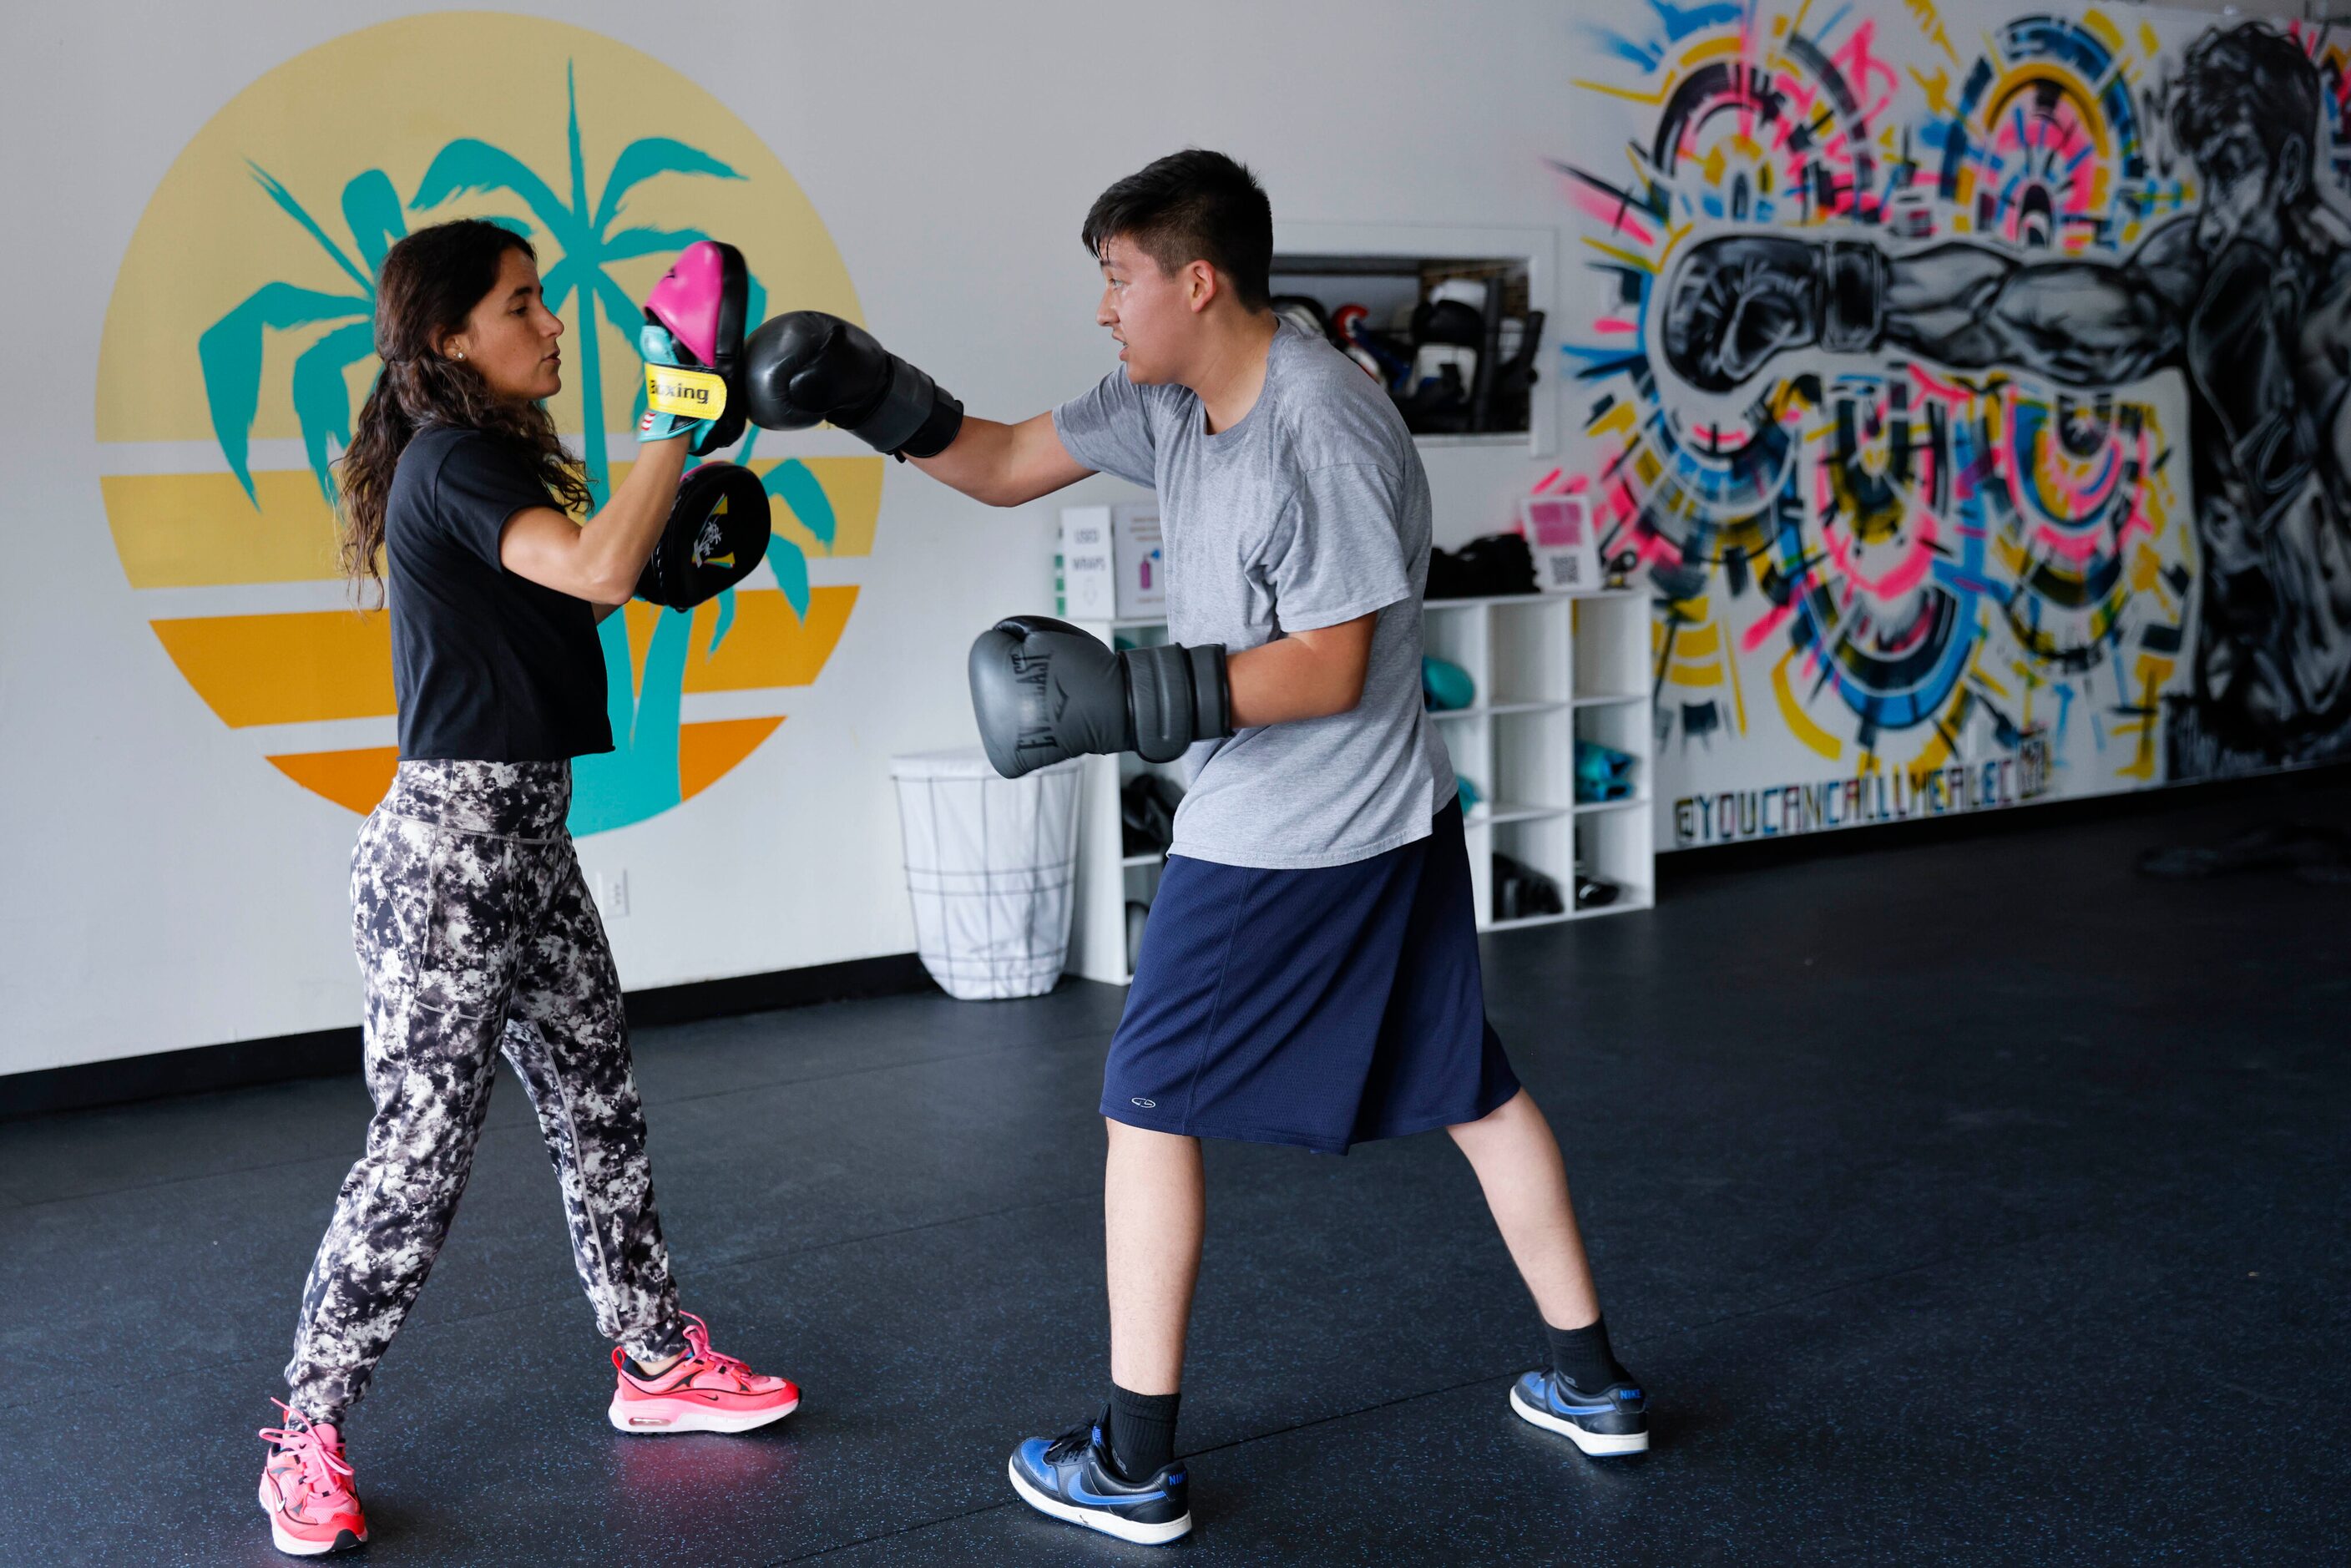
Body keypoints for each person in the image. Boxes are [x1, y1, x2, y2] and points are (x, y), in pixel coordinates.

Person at [740, 150, 1646, 1546]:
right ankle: (1592, 1383)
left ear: (1197, 279)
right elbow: (993, 461)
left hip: (1298, 831)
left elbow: (1332, 666)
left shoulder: (1321, 426)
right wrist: (866, 390)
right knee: (1472, 1086)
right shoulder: (1168, 401)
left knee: (1145, 1103)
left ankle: (1134, 1460)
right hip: (1397, 819)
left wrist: (1140, 699)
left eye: (1118, 278)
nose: (1105, 309)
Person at [255, 220, 796, 1558]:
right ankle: (304, 1437)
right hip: (447, 864)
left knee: (595, 1097)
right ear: (448, 338)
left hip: (523, 847)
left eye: (545, 301)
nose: (553, 324)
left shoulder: (480, 465)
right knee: (420, 1155)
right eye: (523, 305)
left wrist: (652, 556)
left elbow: (574, 596)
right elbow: (598, 565)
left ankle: (655, 1362)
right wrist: (679, 402)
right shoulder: (449, 460)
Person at [1659, 21, 2351, 772]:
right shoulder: (2205, 267)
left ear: (2287, 169)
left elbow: (2330, 656)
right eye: (2204, 175)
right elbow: (2010, 311)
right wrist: (1823, 289)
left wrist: (2261, 425)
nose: (2213, 215)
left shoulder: (2338, 326)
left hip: (2328, 756)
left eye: (2233, 171)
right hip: (2217, 750)